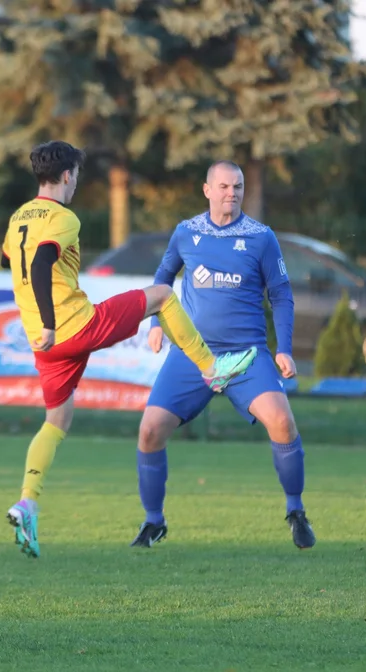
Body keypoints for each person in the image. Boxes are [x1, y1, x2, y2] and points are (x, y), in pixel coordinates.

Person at [0, 141, 257, 559]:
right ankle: (213, 370)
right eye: (77, 175)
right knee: (162, 296)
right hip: (72, 326)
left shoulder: (18, 218)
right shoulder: (62, 217)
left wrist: (39, 323)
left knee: (57, 420)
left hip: (42, 343)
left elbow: (9, 259)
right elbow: (43, 262)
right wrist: (50, 320)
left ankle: (27, 502)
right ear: (67, 176)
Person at [131, 161, 315, 551]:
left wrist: (283, 348)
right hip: (193, 355)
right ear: (207, 190)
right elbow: (162, 279)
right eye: (224, 186)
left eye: (238, 187)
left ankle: (296, 511)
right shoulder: (186, 232)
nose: (231, 193)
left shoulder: (261, 237)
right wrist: (157, 324)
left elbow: (281, 295)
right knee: (149, 432)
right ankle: (153, 522)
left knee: (282, 422)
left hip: (247, 357)